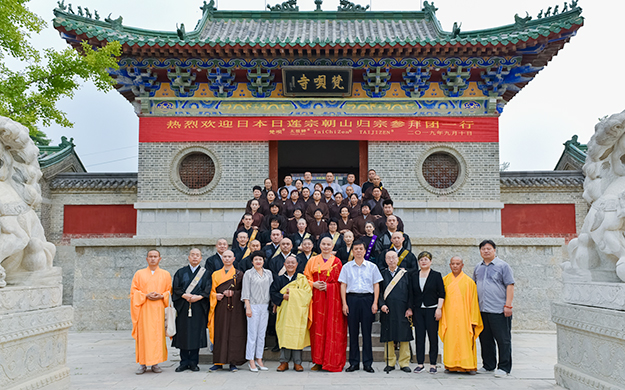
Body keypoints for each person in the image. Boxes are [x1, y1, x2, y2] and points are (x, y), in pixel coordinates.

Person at [339, 239, 383, 373]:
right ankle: (353, 363)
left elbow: (376, 285)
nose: (358, 251)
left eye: (361, 249)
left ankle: (368, 363)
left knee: (366, 333)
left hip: (367, 300)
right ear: (352, 251)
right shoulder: (346, 267)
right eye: (356, 249)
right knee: (352, 333)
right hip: (351, 299)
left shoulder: (372, 267)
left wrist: (375, 303)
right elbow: (343, 285)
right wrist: (344, 303)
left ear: (365, 251)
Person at [304, 237, 347, 372]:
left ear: (332, 246)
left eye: (329, 244)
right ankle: (317, 361)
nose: (326, 246)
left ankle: (331, 361)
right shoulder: (312, 261)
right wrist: (314, 284)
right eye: (324, 244)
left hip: (332, 300)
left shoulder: (337, 262)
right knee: (317, 330)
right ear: (319, 245)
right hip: (316, 299)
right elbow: (305, 279)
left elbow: (341, 283)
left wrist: (328, 287)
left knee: (331, 328)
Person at [474, 240, 515, 378]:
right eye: (483, 249)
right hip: (482, 309)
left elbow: (510, 285)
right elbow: (474, 286)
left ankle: (504, 367)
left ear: (494, 250)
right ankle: (488, 365)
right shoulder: (477, 267)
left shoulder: (503, 266)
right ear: (480, 251)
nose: (486, 251)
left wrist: (508, 305)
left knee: (503, 339)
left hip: (499, 309)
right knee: (485, 339)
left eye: (489, 249)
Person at [439, 256, 483, 374]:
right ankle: (450, 365)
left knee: (466, 341)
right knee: (450, 340)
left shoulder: (469, 282)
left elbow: (474, 302)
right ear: (449, 265)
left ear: (462, 265)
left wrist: (474, 320)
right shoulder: (444, 280)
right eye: (453, 263)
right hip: (449, 317)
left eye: (457, 263)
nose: (455, 266)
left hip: (465, 319)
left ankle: (469, 366)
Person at [130, 249, 171, 374]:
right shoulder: (139, 274)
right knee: (143, 336)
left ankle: (155, 363)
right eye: (150, 256)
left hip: (158, 309)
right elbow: (133, 292)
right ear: (147, 259)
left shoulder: (165, 274)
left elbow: (169, 291)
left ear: (160, 259)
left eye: (155, 256)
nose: (153, 258)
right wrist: (145, 295)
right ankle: (142, 364)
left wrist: (162, 296)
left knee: (157, 336)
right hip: (144, 309)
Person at [172, 248, 212, 372]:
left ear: (201, 258)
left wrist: (199, 297)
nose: (195, 257)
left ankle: (194, 362)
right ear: (188, 257)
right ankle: (184, 361)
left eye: (197, 255)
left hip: (199, 306)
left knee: (196, 334)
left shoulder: (206, 273)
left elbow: (208, 288)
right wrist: (184, 295)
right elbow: (176, 287)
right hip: (184, 306)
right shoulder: (181, 272)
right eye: (192, 255)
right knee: (183, 334)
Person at [271, 255, 312, 372]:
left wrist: (292, 293)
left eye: (292, 263)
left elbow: (307, 294)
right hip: (284, 310)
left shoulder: (301, 278)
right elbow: (273, 293)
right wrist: (283, 296)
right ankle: (283, 362)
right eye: (288, 263)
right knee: (285, 335)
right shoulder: (279, 279)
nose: (290, 265)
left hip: (298, 312)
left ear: (297, 265)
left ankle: (297, 362)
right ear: (284, 264)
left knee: (297, 336)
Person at [208, 250, 247, 372]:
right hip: (220, 307)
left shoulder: (239, 274)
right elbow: (210, 291)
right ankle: (218, 362)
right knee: (219, 333)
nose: (227, 259)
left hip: (234, 309)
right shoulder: (215, 274)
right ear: (222, 259)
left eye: (229, 256)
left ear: (234, 259)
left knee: (233, 334)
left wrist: (233, 293)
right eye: (225, 256)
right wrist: (215, 296)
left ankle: (233, 362)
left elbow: (244, 292)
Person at [409, 251, 445, 374]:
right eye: (421, 260)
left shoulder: (436, 275)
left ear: (430, 261)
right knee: (419, 337)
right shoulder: (414, 275)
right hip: (418, 310)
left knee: (432, 337)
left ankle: (433, 364)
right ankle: (420, 363)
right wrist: (410, 308)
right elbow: (411, 294)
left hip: (432, 309)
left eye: (426, 259)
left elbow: (441, 293)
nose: (423, 262)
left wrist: (439, 309)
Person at [378, 251, 413, 373]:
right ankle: (390, 362)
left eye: (393, 257)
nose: (391, 260)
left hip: (403, 309)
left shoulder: (405, 274)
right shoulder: (382, 274)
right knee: (389, 336)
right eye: (388, 258)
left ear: (398, 259)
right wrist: (381, 305)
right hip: (388, 309)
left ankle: (404, 363)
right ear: (385, 260)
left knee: (404, 336)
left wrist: (410, 308)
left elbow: (411, 292)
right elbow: (379, 292)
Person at [241, 251, 273, 372]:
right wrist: (248, 307)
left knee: (261, 334)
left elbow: (271, 289)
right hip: (253, 306)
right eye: (256, 259)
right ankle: (251, 360)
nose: (258, 261)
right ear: (252, 261)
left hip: (264, 306)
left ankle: (259, 358)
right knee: (252, 334)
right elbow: (245, 292)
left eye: (260, 259)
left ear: (263, 260)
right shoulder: (248, 274)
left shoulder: (268, 273)